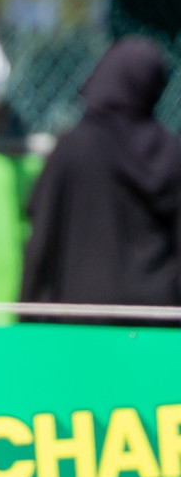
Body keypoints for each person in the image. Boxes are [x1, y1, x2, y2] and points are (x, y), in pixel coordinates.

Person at [21, 36, 181, 324]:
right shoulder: (171, 152)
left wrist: (28, 309)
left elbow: (43, 236)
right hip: (159, 316)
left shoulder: (73, 148)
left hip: (81, 315)